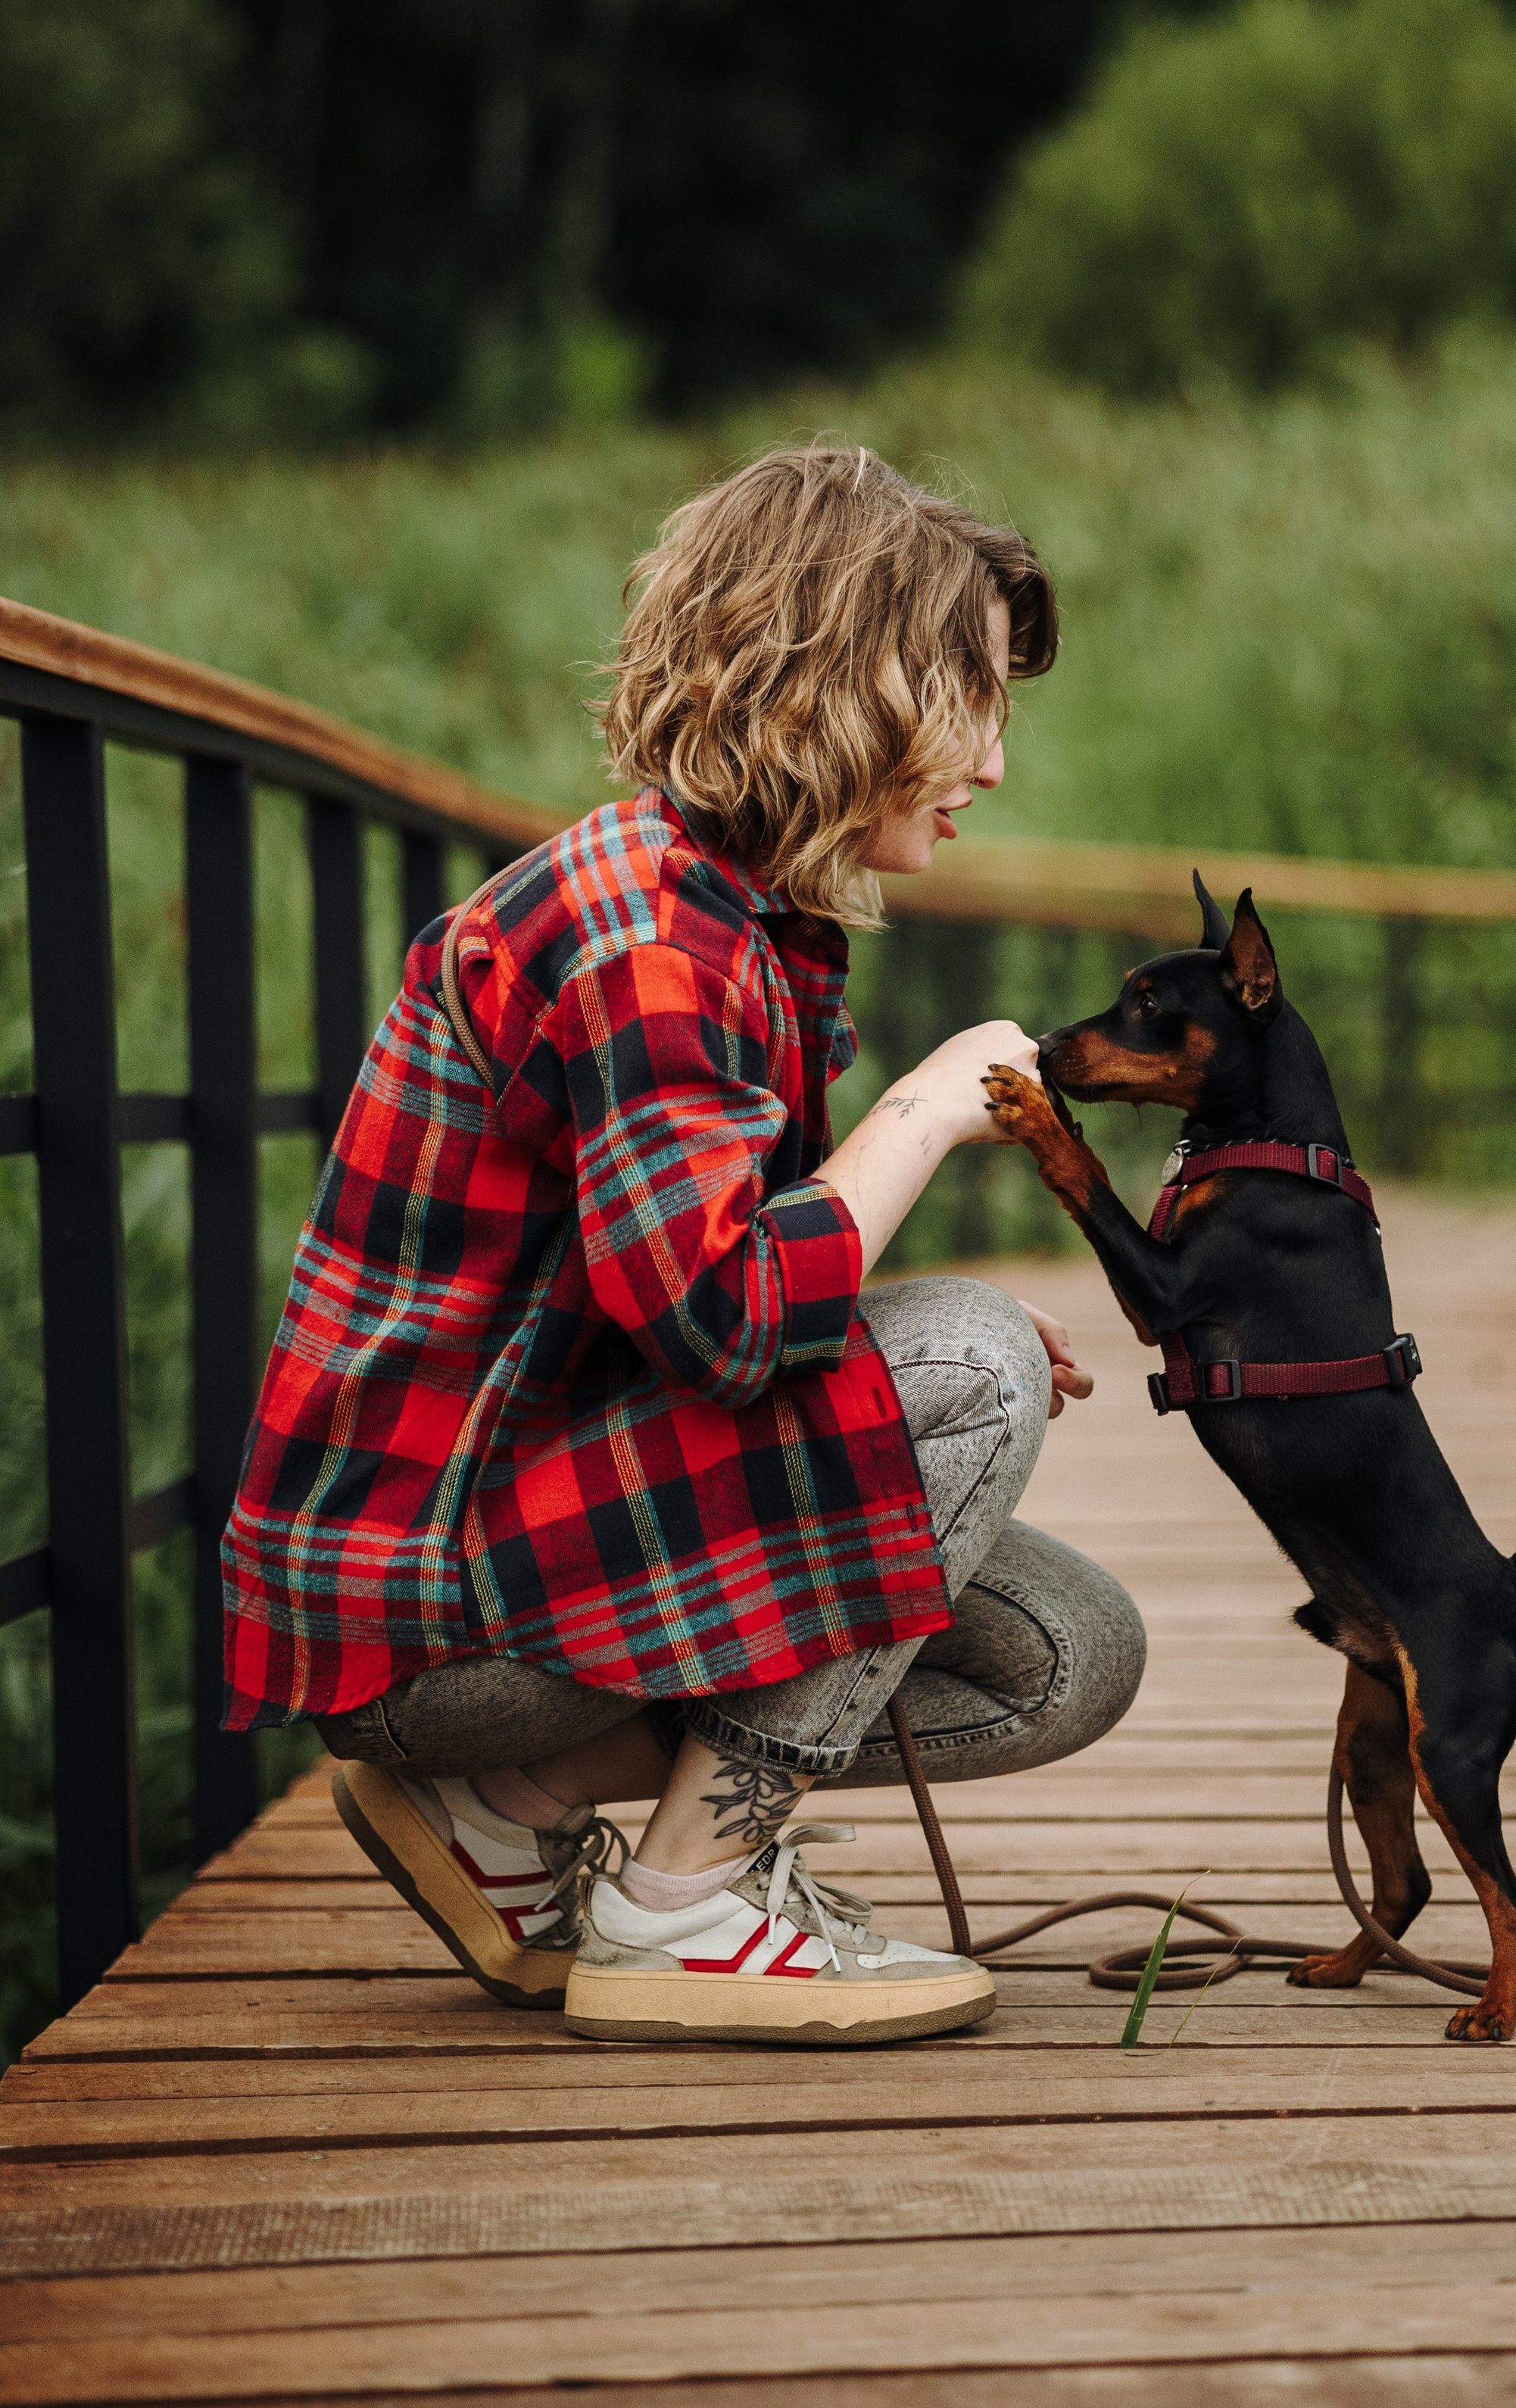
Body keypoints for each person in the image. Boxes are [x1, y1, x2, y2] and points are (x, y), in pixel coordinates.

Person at [220, 441, 1145, 2045]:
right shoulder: (647, 934)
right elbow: (728, 1321)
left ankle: (509, 1810)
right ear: (845, 685)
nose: (992, 762)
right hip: (425, 1608)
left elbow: (706, 1290)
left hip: (523, 1541)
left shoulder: (731, 918)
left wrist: (884, 1330)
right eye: (972, 701)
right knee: (971, 1361)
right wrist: (925, 1112)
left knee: (1062, 1654)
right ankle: (683, 1907)